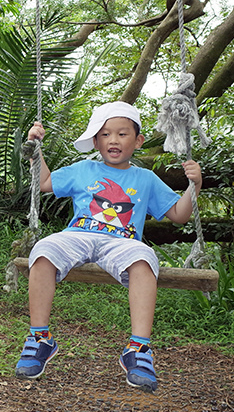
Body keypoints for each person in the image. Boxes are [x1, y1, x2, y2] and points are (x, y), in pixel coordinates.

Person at [15, 101, 202, 392]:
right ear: (96, 141)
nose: (113, 140)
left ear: (138, 140)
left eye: (122, 134)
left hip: (123, 242)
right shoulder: (84, 169)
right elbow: (46, 183)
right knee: (43, 250)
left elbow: (179, 215)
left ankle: (138, 350)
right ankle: (40, 339)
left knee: (144, 258)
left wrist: (194, 187)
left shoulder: (145, 179)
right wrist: (34, 151)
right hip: (78, 234)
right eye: (105, 134)